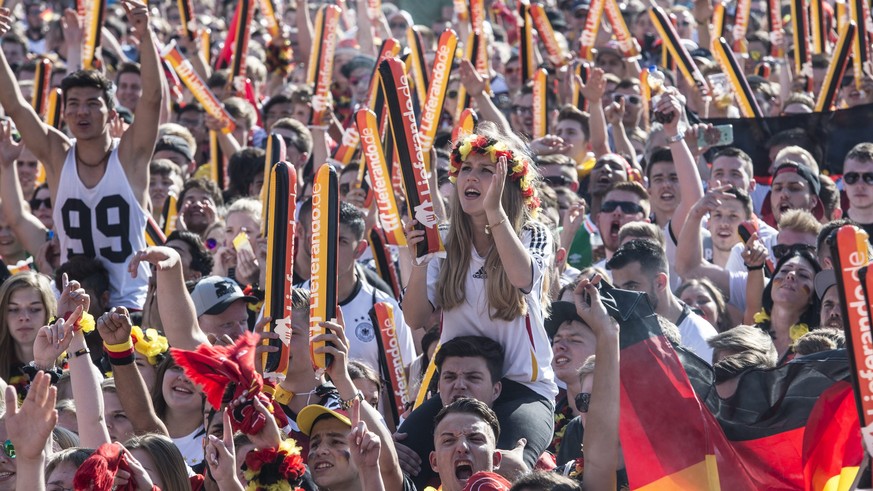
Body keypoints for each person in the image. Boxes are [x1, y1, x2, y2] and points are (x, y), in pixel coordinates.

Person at [403, 122, 556, 475]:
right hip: (460, 387)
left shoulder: (533, 233)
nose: (471, 178)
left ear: (509, 185)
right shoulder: (442, 239)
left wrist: (495, 213)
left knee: (506, 470)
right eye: (465, 169)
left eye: (486, 171)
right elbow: (414, 318)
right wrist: (419, 261)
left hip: (523, 389)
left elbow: (522, 278)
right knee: (399, 454)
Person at [0, 0, 162, 309]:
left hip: (132, 305)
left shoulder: (130, 157)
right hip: (73, 307)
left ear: (110, 111)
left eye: (92, 103)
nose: (82, 111)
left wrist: (146, 36)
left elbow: (152, 99)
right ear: (64, 112)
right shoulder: (57, 155)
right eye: (73, 103)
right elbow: (16, 106)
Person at [608, 239, 718, 361]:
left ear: (660, 283)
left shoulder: (699, 340)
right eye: (617, 289)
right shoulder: (621, 331)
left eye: (631, 287)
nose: (622, 297)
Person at [754, 248, 821, 361]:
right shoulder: (747, 336)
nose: (791, 275)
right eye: (784, 270)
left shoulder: (815, 349)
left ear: (813, 298)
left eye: (803, 275)